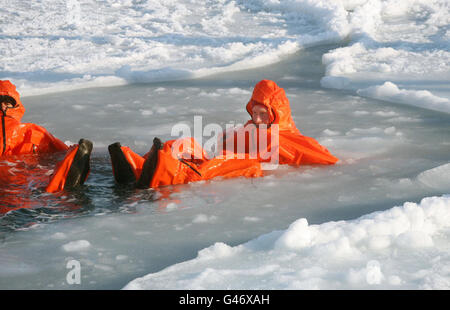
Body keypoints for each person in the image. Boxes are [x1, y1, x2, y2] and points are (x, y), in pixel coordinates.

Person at [108, 79, 338, 189]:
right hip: (216, 160)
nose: (257, 120)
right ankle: (137, 166)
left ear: (277, 114)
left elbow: (326, 159)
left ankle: (160, 173)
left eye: (263, 115)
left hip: (244, 167)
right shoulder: (249, 130)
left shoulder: (289, 140)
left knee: (229, 163)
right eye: (254, 113)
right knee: (181, 143)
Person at [0, 80, 92, 205]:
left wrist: (79, 156)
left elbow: (61, 152)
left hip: (24, 182)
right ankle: (60, 185)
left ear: (16, 105)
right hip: (16, 185)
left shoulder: (32, 131)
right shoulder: (31, 131)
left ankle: (60, 182)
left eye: (7, 102)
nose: (3, 107)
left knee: (40, 178)